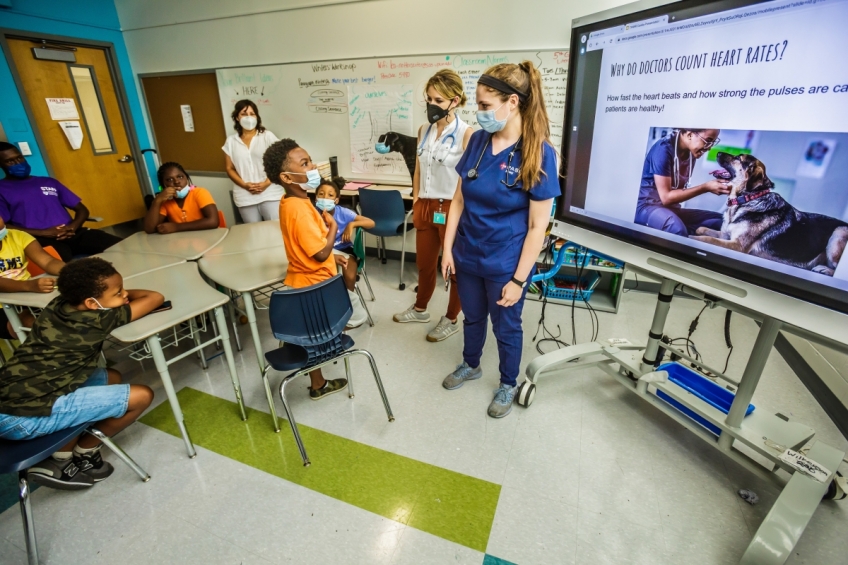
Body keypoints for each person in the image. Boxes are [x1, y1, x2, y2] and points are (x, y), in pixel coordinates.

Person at [442, 62, 560, 419]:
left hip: (506, 260)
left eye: (483, 105)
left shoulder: (539, 153)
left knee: (506, 326)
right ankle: (471, 363)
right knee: (473, 316)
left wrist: (519, 279)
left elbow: (538, 226)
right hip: (468, 252)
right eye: (477, 105)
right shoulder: (478, 141)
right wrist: (448, 249)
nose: (478, 114)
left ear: (512, 102)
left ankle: (508, 382)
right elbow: (459, 199)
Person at [0, 257, 163, 489]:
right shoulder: (97, 318)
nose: (125, 295)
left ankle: (62, 453)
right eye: (119, 293)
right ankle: (84, 451)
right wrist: (118, 298)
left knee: (112, 377)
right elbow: (154, 298)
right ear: (92, 303)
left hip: (9, 398)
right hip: (21, 419)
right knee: (142, 395)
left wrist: (113, 295)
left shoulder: (59, 304)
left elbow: (114, 298)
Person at [263, 138, 354, 400]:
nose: (313, 167)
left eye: (310, 160)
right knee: (321, 336)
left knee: (309, 335)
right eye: (305, 163)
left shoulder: (292, 201)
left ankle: (318, 384)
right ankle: (323, 371)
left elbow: (308, 247)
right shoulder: (300, 209)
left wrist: (330, 259)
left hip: (303, 281)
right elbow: (320, 252)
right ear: (286, 176)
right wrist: (334, 229)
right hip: (316, 288)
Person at [393, 70, 473, 343]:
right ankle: (420, 308)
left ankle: (451, 319)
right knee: (425, 264)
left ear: (455, 100)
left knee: (454, 268)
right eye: (428, 98)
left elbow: (467, 179)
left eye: (438, 99)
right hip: (425, 205)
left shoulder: (467, 134)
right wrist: (416, 198)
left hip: (451, 207)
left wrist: (458, 211)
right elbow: (418, 167)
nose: (431, 105)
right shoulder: (423, 131)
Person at [0, 142, 123, 261]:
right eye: (10, 161)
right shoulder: (2, 189)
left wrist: (72, 228)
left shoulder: (48, 182)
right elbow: (4, 226)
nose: (18, 163)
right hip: (37, 239)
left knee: (122, 246)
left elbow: (82, 210)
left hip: (73, 233)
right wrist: (44, 233)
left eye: (19, 158)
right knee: (64, 264)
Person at [634, 129, 729, 238]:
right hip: (648, 207)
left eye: (713, 142)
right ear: (689, 135)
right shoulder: (663, 149)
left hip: (671, 209)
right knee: (676, 230)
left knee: (721, 222)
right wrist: (705, 187)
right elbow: (666, 198)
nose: (710, 147)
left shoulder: (691, 152)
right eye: (708, 141)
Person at [0, 214, 65, 339]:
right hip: (3, 307)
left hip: (28, 297)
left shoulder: (17, 236)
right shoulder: (30, 286)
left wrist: (71, 272)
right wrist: (29, 285)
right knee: (35, 325)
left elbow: (47, 261)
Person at [223, 100, 283, 222]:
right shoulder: (231, 141)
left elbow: (280, 162)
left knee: (276, 231)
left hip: (271, 193)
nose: (249, 117)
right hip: (245, 197)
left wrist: (266, 183)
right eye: (244, 114)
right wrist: (245, 185)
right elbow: (229, 168)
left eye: (252, 113)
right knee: (253, 234)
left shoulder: (267, 136)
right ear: (237, 118)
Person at [315, 177, 375, 292]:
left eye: (330, 195)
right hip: (321, 250)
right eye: (321, 194)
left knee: (349, 273)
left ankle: (349, 297)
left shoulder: (343, 212)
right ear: (316, 198)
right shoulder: (312, 214)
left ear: (336, 200)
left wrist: (351, 225)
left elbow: (371, 223)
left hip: (343, 248)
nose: (325, 198)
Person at [144, 162, 220, 234]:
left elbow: (213, 221)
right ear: (163, 184)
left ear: (186, 178)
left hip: (207, 238)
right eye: (169, 179)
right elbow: (150, 229)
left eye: (180, 177)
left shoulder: (200, 192)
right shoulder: (165, 202)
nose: (176, 181)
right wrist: (157, 201)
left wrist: (176, 227)